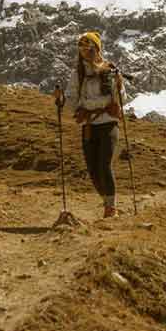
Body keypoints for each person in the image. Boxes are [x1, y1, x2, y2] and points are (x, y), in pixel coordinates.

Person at [64, 31, 125, 218]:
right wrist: (66, 104)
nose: (85, 52)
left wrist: (119, 84)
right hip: (89, 125)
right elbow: (71, 98)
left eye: (89, 48)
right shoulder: (78, 74)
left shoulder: (111, 70)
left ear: (97, 49)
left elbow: (122, 98)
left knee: (104, 165)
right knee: (92, 170)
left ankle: (111, 208)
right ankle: (107, 201)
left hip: (108, 123)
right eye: (82, 49)